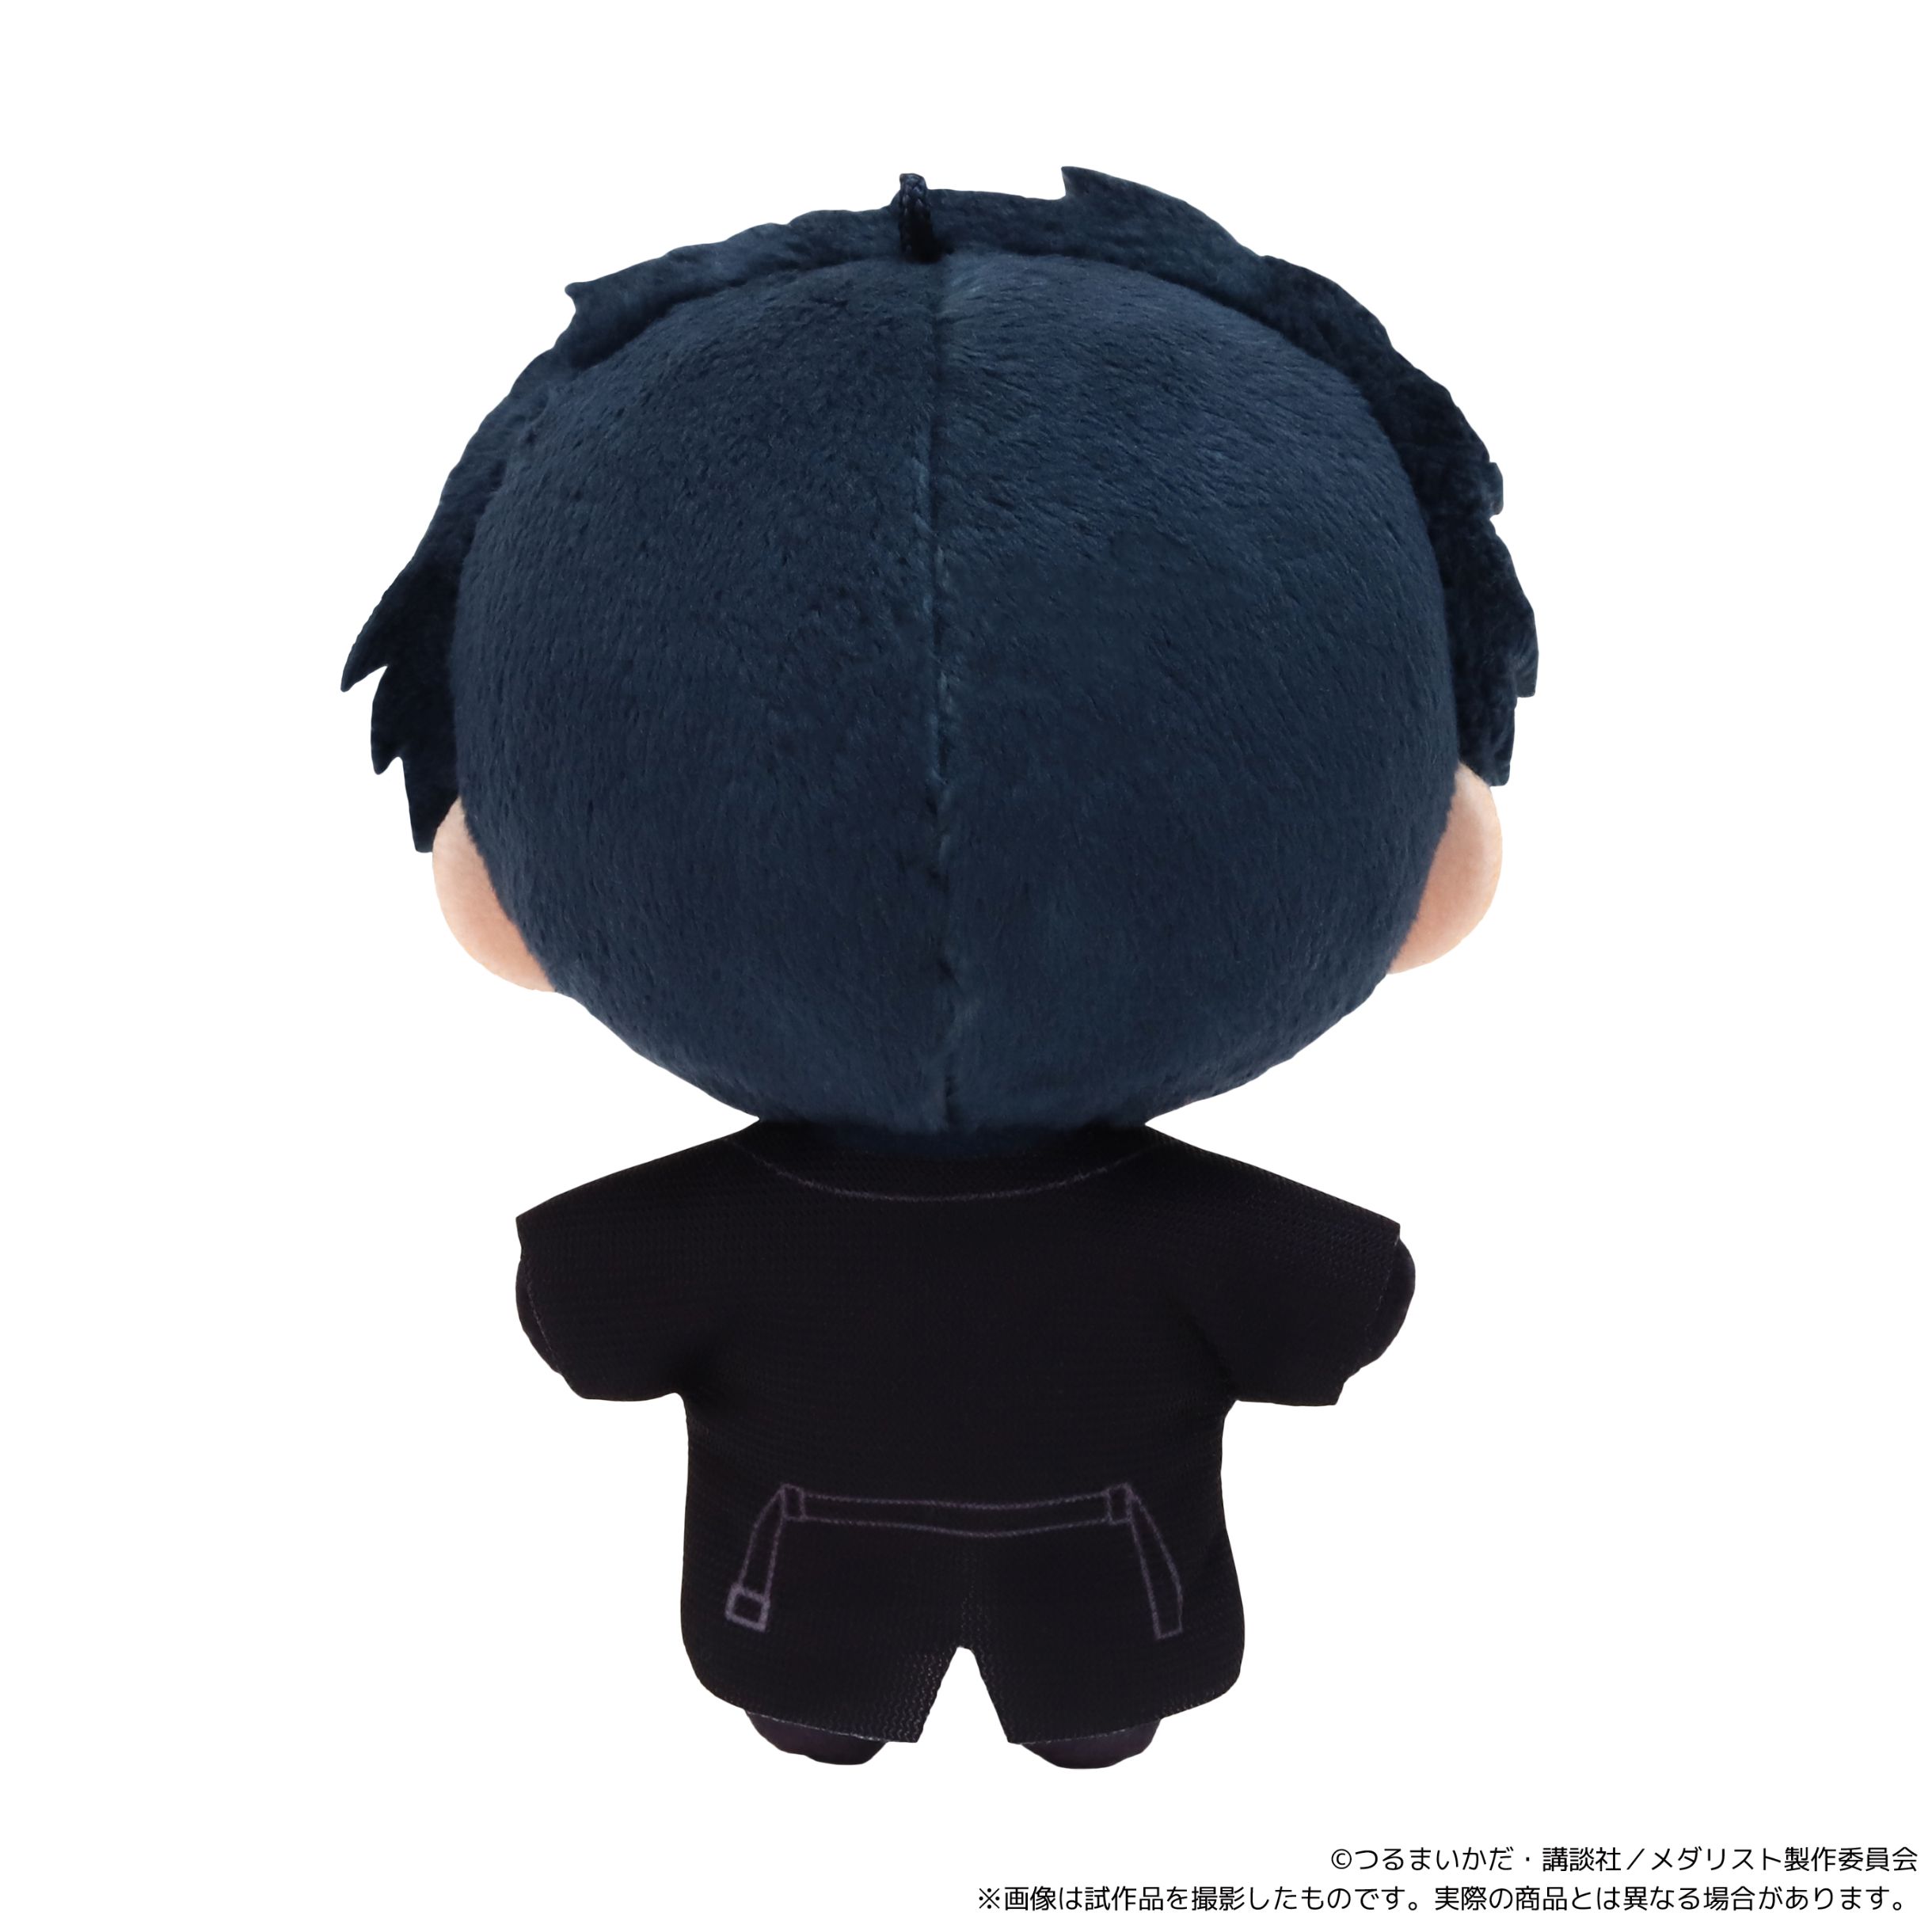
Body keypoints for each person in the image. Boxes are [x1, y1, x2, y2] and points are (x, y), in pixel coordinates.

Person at [344, 169, 1535, 1767]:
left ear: (494, 857)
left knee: (810, 1687)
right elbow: (1349, 1309)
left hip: (788, 1581)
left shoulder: (713, 1227)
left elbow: (582, 1326)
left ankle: (827, 1708)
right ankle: (1085, 1715)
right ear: (1426, 835)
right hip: (1120, 1575)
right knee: (1101, 1695)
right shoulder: (1183, 1229)